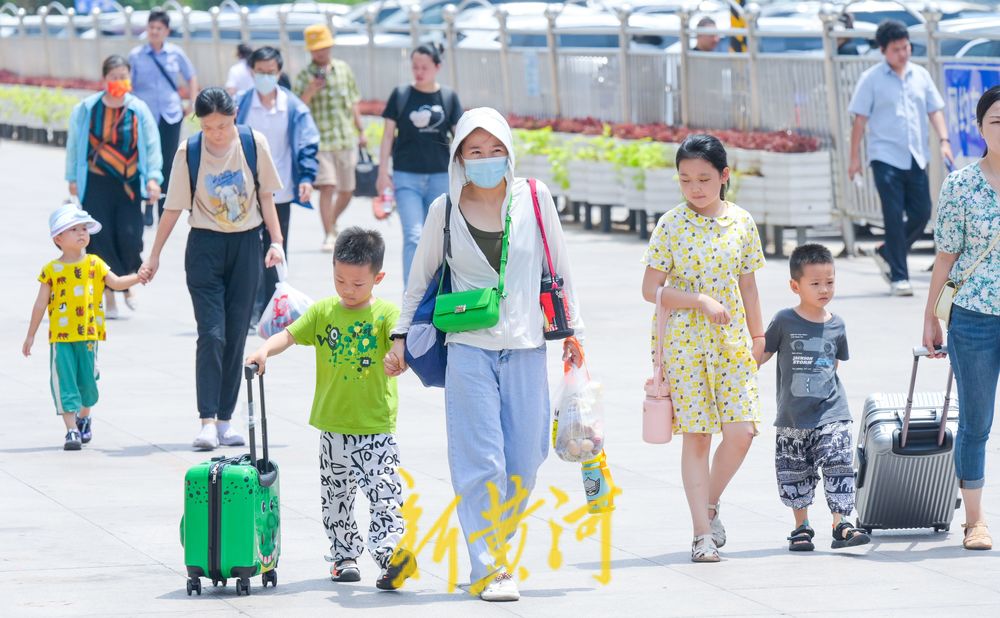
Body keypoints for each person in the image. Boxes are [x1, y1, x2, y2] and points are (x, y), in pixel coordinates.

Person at [385, 108, 584, 601]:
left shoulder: (535, 200)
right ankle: (490, 566)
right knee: (481, 461)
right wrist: (399, 336)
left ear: (510, 153)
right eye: (475, 152)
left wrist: (574, 332)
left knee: (527, 457)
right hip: (468, 348)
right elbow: (418, 280)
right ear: (459, 158)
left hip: (526, 345)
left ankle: (491, 546)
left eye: (496, 150)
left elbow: (560, 266)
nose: (487, 160)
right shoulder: (443, 210)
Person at [245, 227, 418, 590]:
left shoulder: (386, 313)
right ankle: (344, 557)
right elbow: (289, 334)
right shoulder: (324, 311)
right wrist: (264, 350)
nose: (347, 290)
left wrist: (396, 358)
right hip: (333, 429)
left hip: (375, 429)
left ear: (378, 278)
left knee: (385, 493)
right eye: (340, 280)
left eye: (357, 284)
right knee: (336, 498)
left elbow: (399, 345)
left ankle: (390, 557)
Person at [640, 134, 765, 563]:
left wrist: (759, 337)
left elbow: (748, 284)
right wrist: (697, 301)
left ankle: (708, 504)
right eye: (685, 180)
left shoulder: (743, 223)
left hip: (732, 345)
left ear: (724, 176)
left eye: (704, 179)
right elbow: (650, 290)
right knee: (697, 438)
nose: (695, 188)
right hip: (684, 346)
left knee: (742, 432)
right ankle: (700, 534)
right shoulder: (671, 224)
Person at [138, 88, 285, 451]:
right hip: (204, 246)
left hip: (247, 245)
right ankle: (206, 420)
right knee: (212, 334)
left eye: (221, 125)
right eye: (208, 126)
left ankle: (224, 420)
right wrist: (153, 255)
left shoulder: (252, 142)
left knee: (236, 336)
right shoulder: (189, 151)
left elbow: (267, 196)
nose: (216, 133)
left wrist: (277, 243)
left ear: (234, 115)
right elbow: (172, 207)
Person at [922, 85, 1000, 551]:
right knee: (976, 421)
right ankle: (974, 520)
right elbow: (946, 258)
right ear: (980, 129)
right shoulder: (961, 185)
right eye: (996, 121)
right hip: (973, 318)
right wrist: (933, 316)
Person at [759, 244, 871, 552]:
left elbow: (833, 364)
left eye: (830, 282)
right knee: (795, 471)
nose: (824, 289)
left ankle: (842, 524)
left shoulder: (837, 323)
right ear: (795, 286)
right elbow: (762, 355)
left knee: (838, 462)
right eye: (815, 283)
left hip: (832, 410)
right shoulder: (784, 320)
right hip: (793, 416)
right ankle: (801, 527)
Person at [848, 19, 954, 297]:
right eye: (896, 49)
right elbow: (859, 121)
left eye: (906, 47)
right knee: (893, 216)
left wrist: (944, 141)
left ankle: (887, 251)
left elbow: (935, 110)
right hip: (884, 157)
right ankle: (899, 277)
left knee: (921, 213)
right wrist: (854, 159)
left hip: (916, 156)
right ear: (883, 50)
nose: (903, 54)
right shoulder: (871, 79)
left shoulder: (920, 75)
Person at [22, 204, 141, 450]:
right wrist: (30, 336)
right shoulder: (51, 271)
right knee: (65, 382)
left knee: (88, 384)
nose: (81, 233)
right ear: (58, 238)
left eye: (84, 228)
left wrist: (140, 276)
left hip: (88, 336)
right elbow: (40, 304)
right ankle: (71, 430)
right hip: (61, 338)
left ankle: (84, 417)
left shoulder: (95, 264)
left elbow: (117, 283)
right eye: (73, 229)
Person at [66, 54, 162, 320]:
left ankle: (128, 282)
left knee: (131, 237)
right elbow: (75, 144)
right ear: (104, 78)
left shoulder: (137, 109)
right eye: (114, 77)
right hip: (96, 182)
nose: (119, 81)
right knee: (99, 239)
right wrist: (72, 177)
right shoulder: (87, 108)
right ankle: (109, 293)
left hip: (129, 183)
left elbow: (152, 146)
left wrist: (154, 177)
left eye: (123, 77)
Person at [235, 46, 319, 329]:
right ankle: (252, 308)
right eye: (260, 72)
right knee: (249, 251)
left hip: (279, 191)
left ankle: (272, 308)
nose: (265, 77)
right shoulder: (241, 105)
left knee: (276, 247)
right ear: (252, 71)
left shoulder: (294, 107)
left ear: (279, 72)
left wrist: (306, 178)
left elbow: (308, 144)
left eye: (271, 73)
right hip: (245, 193)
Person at [377, 44, 463, 284]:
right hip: (407, 177)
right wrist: (382, 172)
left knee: (440, 237)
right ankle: (412, 296)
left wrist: (466, 172)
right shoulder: (401, 95)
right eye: (415, 66)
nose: (419, 71)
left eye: (425, 67)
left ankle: (437, 292)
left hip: (440, 177)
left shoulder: (448, 97)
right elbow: (387, 137)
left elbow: (460, 137)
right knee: (413, 236)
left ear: (437, 67)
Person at [295, 24, 366, 252]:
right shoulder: (304, 76)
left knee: (347, 190)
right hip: (319, 140)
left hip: (344, 137)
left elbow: (354, 101)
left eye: (323, 47)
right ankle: (329, 233)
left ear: (330, 46)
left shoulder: (344, 70)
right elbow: (297, 108)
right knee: (328, 186)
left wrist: (361, 130)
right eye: (315, 49)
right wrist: (310, 90)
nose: (320, 53)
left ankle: (332, 222)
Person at [129, 10, 198, 219]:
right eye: (151, 27)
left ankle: (164, 207)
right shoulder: (136, 55)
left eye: (159, 28)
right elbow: (129, 84)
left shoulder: (175, 54)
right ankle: (147, 204)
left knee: (169, 160)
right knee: (146, 158)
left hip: (170, 113)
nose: (155, 32)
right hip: (145, 115)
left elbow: (191, 76)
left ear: (167, 31)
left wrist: (192, 102)